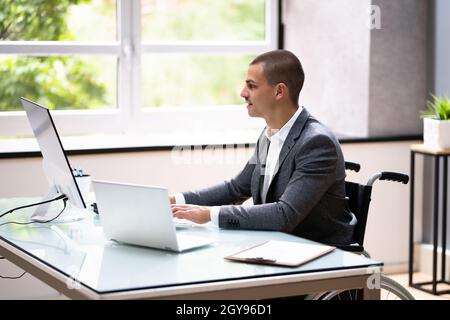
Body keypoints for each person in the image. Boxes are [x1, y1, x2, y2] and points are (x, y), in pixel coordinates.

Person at [170, 49, 356, 245]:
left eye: (252, 86)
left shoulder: (317, 143)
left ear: (279, 91)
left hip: (321, 253)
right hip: (279, 246)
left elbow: (284, 215)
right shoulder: (270, 133)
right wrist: (174, 201)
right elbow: (236, 189)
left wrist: (209, 214)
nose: (243, 93)